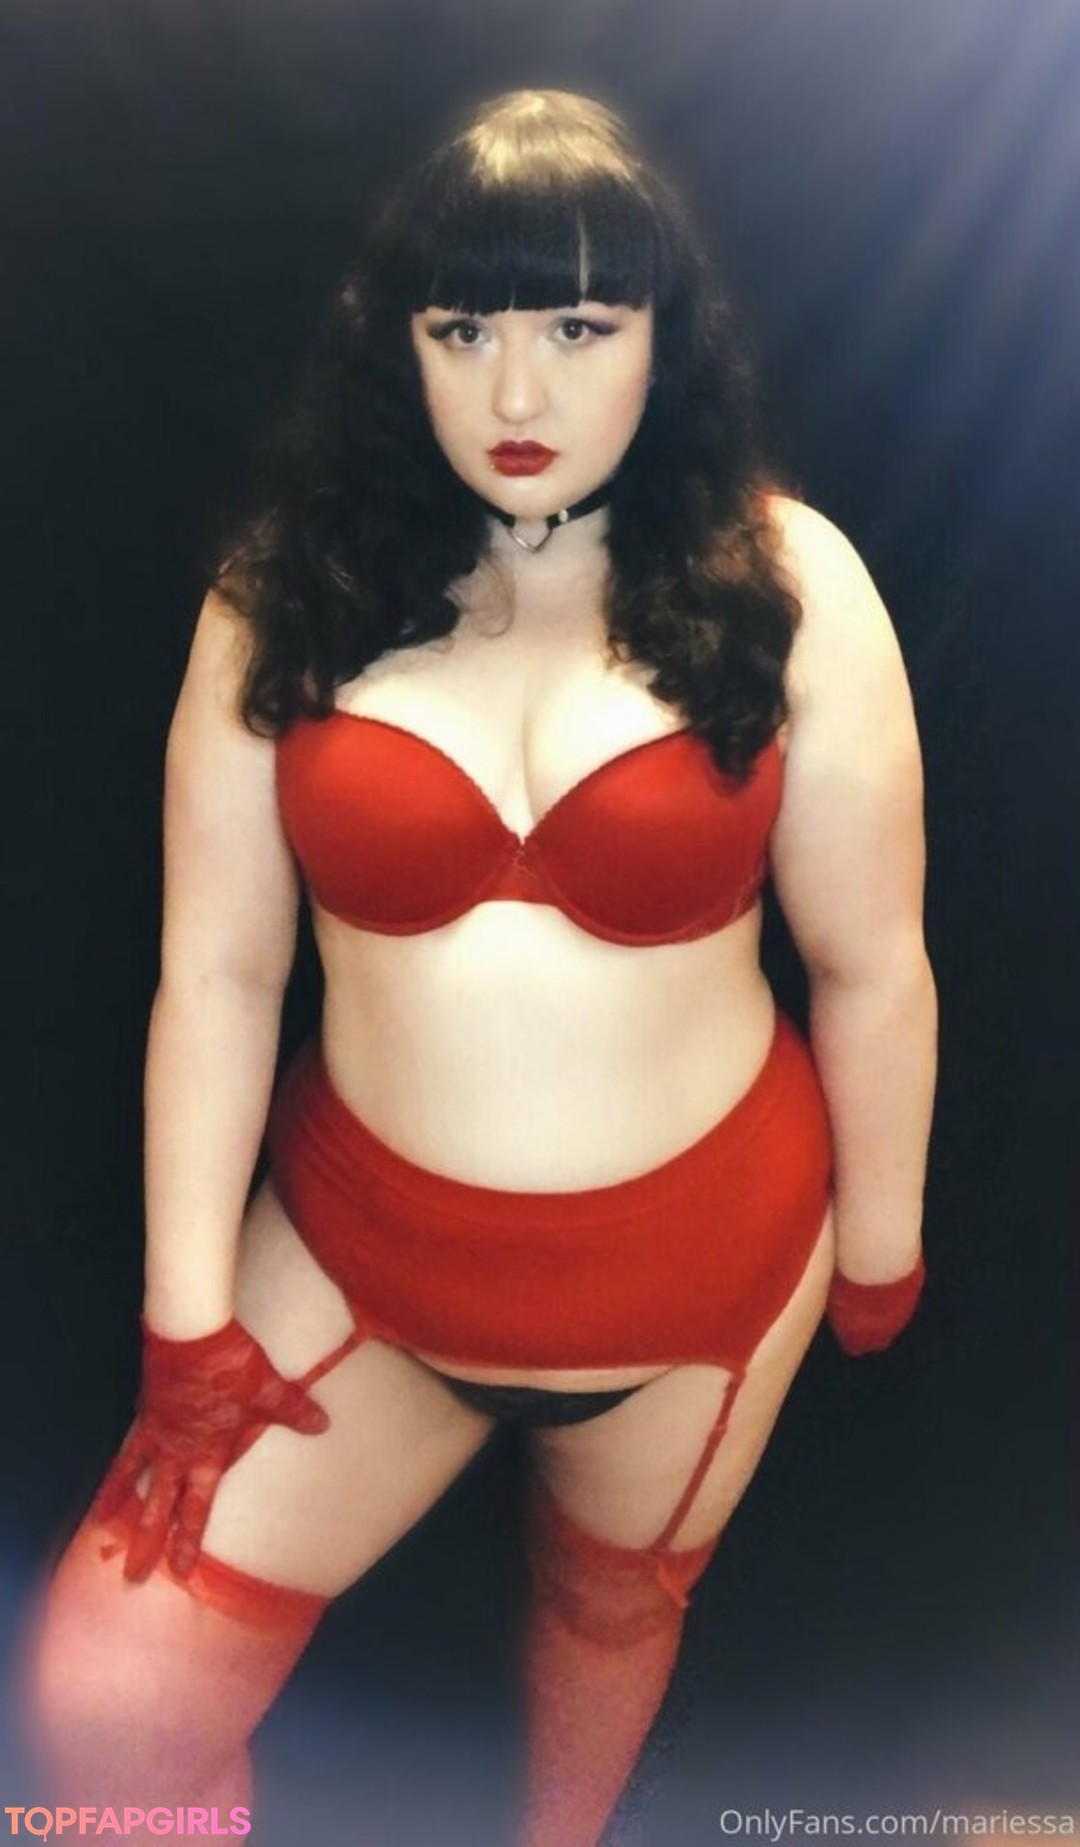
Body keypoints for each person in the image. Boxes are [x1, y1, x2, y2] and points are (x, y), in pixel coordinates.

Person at [22, 88, 936, 1847]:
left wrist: (883, 1244)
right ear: (400, 342)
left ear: (663, 340)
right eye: (465, 331)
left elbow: (873, 960)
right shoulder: (284, 592)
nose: (518, 395)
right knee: (103, 1715)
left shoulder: (793, 582)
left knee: (607, 1617)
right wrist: (183, 1318)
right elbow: (214, 976)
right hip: (359, 1264)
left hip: (708, 1277)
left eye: (579, 328)